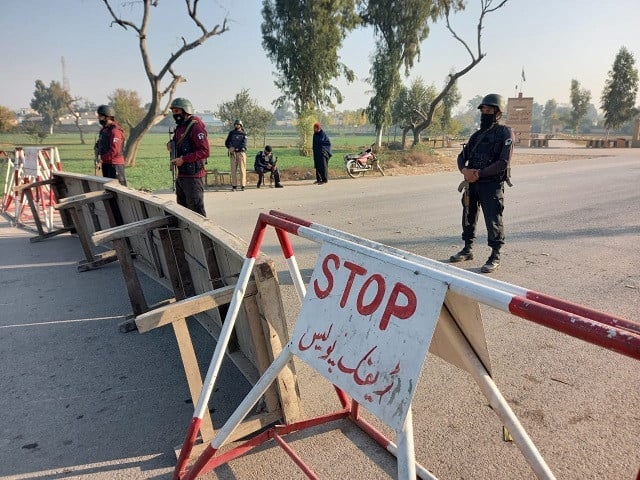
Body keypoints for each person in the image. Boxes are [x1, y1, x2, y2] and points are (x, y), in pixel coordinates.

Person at [449, 93, 514, 273]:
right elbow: (462, 157)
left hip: (491, 185)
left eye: (489, 110)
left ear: (498, 113)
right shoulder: (477, 136)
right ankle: (467, 248)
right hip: (472, 185)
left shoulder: (505, 133)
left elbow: (503, 162)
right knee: (468, 215)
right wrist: (464, 171)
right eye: (483, 110)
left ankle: (495, 255)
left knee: (493, 219)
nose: (485, 113)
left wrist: (479, 173)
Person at [167, 97, 209, 216]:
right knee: (183, 212)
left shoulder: (195, 127)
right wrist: (170, 145)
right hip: (182, 175)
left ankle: (202, 235)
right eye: (173, 112)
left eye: (177, 111)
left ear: (185, 112)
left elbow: (205, 151)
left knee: (197, 213)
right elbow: (175, 142)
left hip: (193, 177)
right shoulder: (180, 128)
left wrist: (184, 159)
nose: (174, 115)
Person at [95, 105, 127, 186]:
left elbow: (115, 150)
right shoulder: (104, 130)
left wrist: (102, 159)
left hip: (115, 164)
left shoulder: (115, 131)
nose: (98, 118)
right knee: (109, 189)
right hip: (106, 164)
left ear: (108, 117)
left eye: (101, 116)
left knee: (119, 188)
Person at [225, 119, 248, 191]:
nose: (236, 125)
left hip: (241, 153)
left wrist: (235, 149)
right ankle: (234, 186)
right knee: (233, 170)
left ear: (241, 125)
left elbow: (244, 144)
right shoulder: (231, 133)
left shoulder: (244, 133)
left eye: (237, 124)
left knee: (242, 170)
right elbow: (227, 142)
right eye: (235, 124)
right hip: (232, 154)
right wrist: (229, 147)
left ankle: (243, 185)